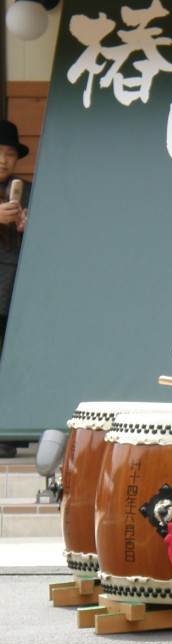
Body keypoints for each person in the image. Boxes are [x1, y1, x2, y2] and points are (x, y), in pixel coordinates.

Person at [0, 120, 29, 458]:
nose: (4, 161)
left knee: (14, 356)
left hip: (21, 283)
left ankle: (11, 429)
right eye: (0, 153)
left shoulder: (30, 189)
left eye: (9, 154)